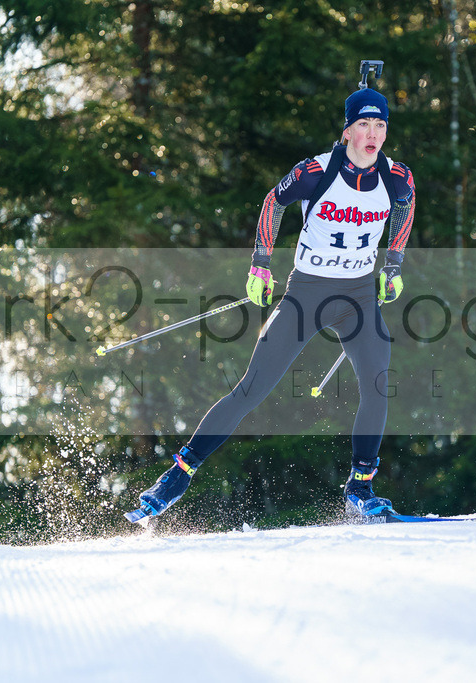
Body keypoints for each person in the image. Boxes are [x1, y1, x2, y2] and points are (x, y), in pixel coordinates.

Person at [133, 85, 415, 521]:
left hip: (358, 297)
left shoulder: (396, 176)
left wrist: (393, 264)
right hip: (307, 294)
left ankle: (360, 487)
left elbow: (406, 207)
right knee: (252, 388)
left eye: (380, 125)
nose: (373, 133)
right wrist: (260, 265)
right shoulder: (317, 171)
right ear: (347, 132)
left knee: (378, 384)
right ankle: (178, 474)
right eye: (363, 124)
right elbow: (272, 202)